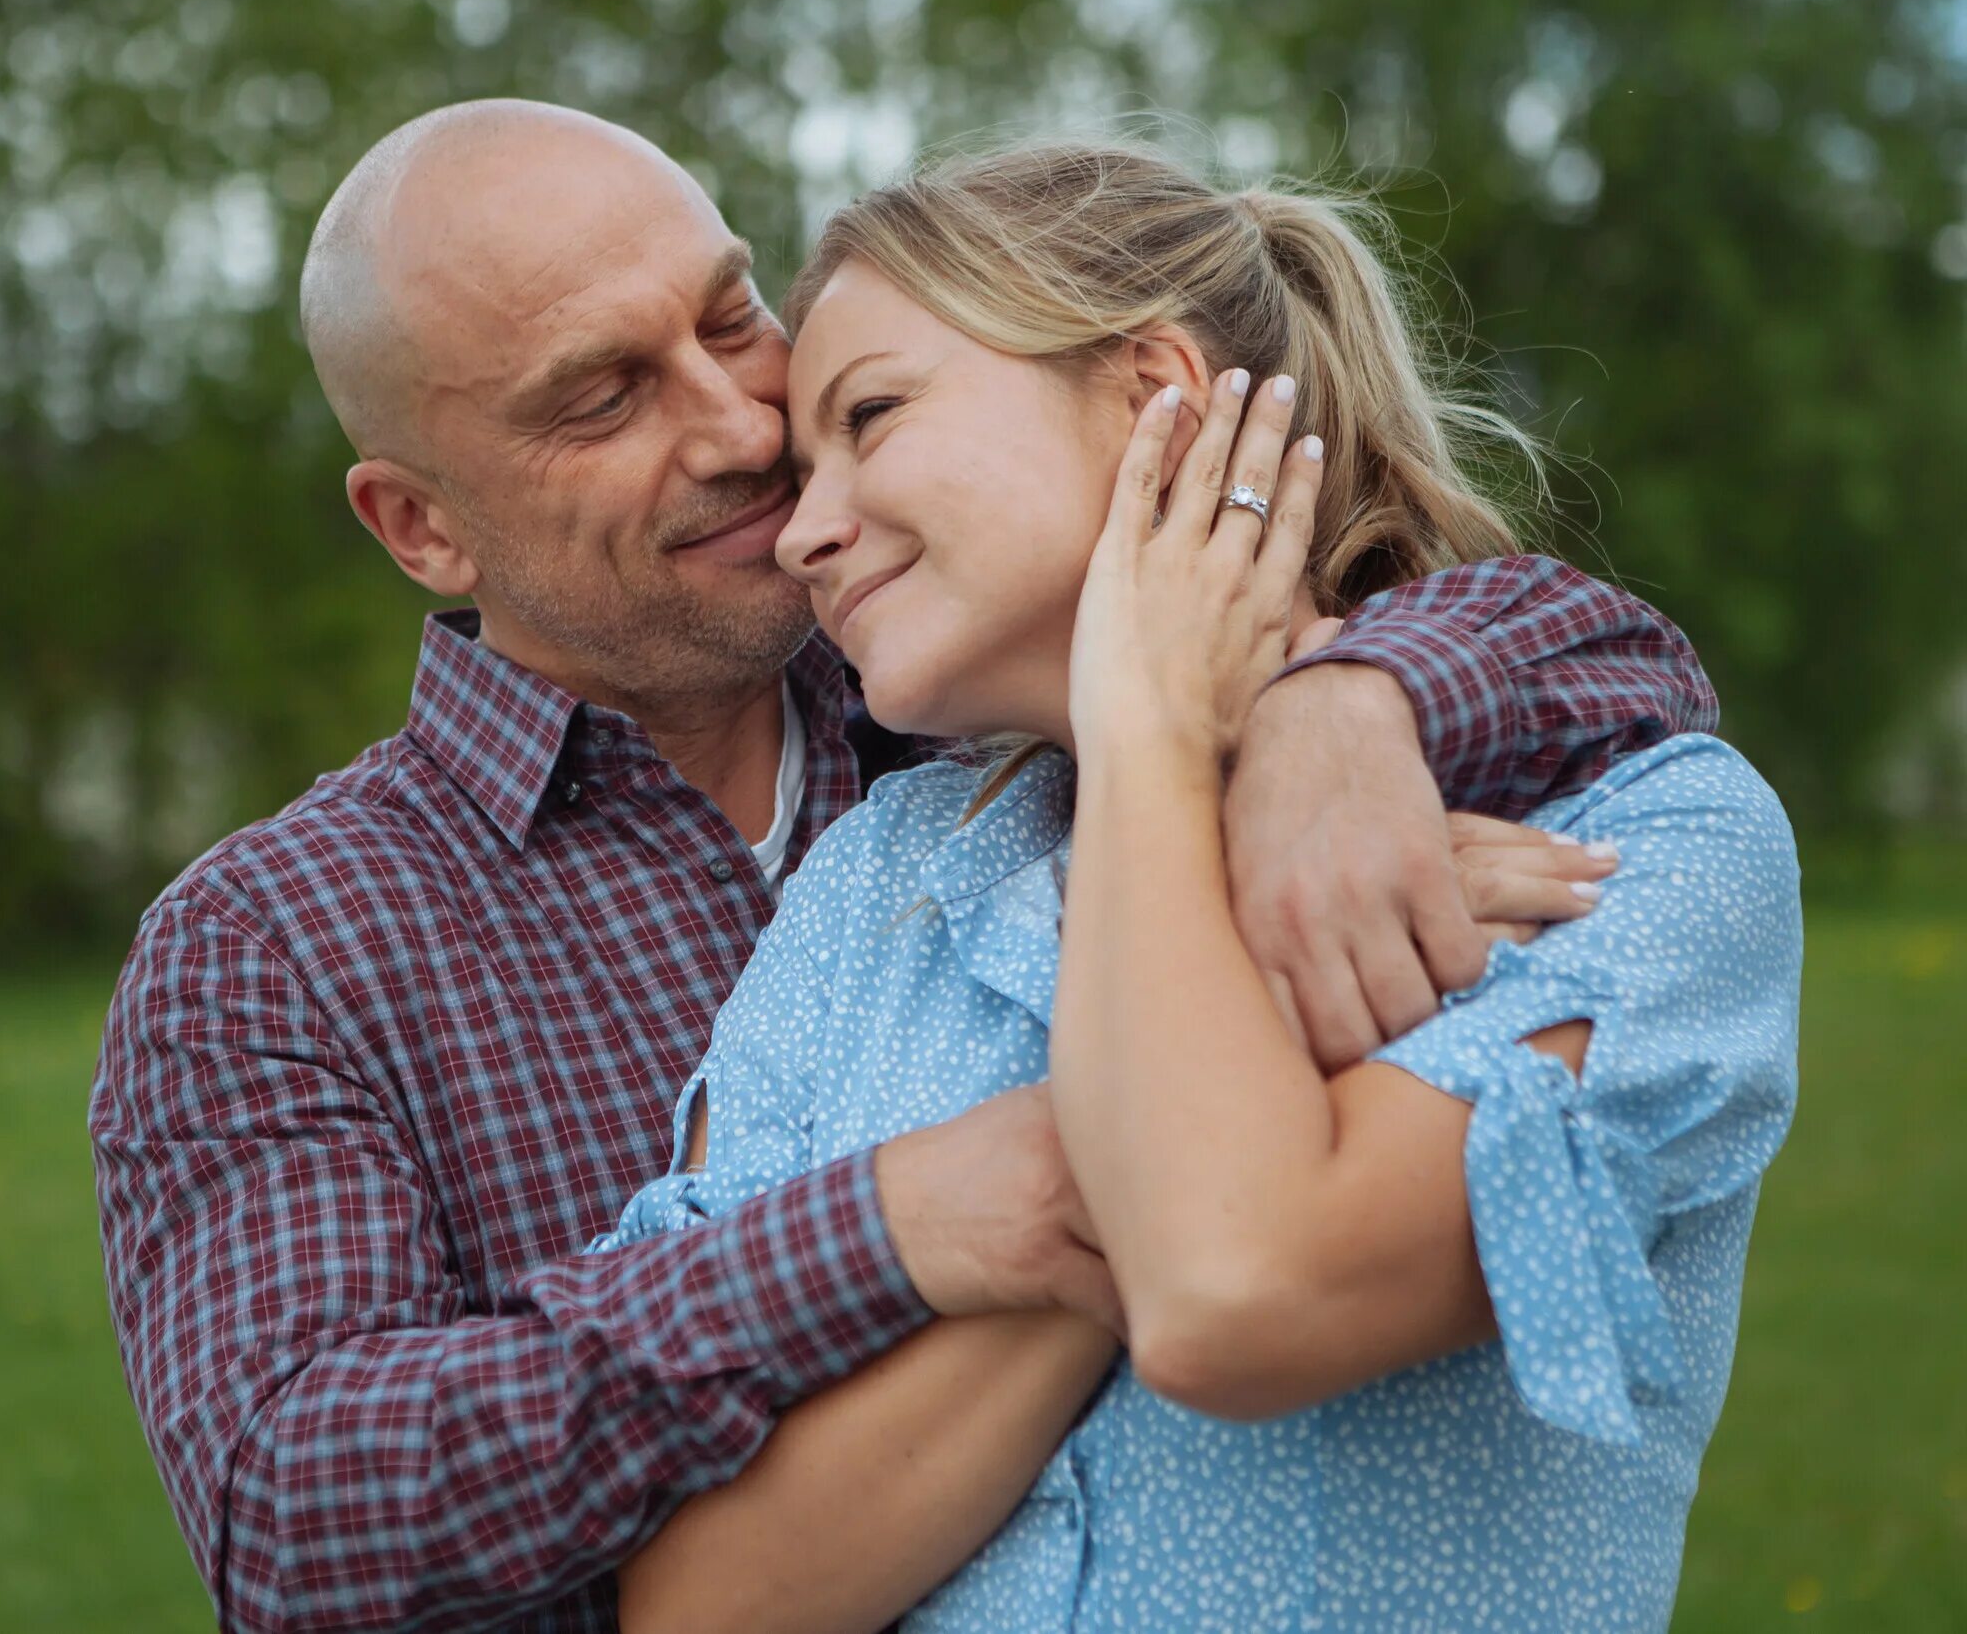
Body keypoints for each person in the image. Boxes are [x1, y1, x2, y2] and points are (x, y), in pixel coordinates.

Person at [90, 100, 1722, 1634]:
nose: (746, 431)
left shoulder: (959, 713)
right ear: (423, 529)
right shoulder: (279, 939)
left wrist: (1352, 703)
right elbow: (291, 1512)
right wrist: (907, 1220)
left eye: (734, 319)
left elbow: (1606, 675)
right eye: (604, 397)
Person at [601, 141, 1799, 1633]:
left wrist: (1159, 732)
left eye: (874, 417)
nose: (800, 531)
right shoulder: (873, 890)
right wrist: (1199, 1009)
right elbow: (695, 1604)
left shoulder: (1643, 829)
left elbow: (1238, 1290)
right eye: (803, 469)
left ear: (1158, 393)